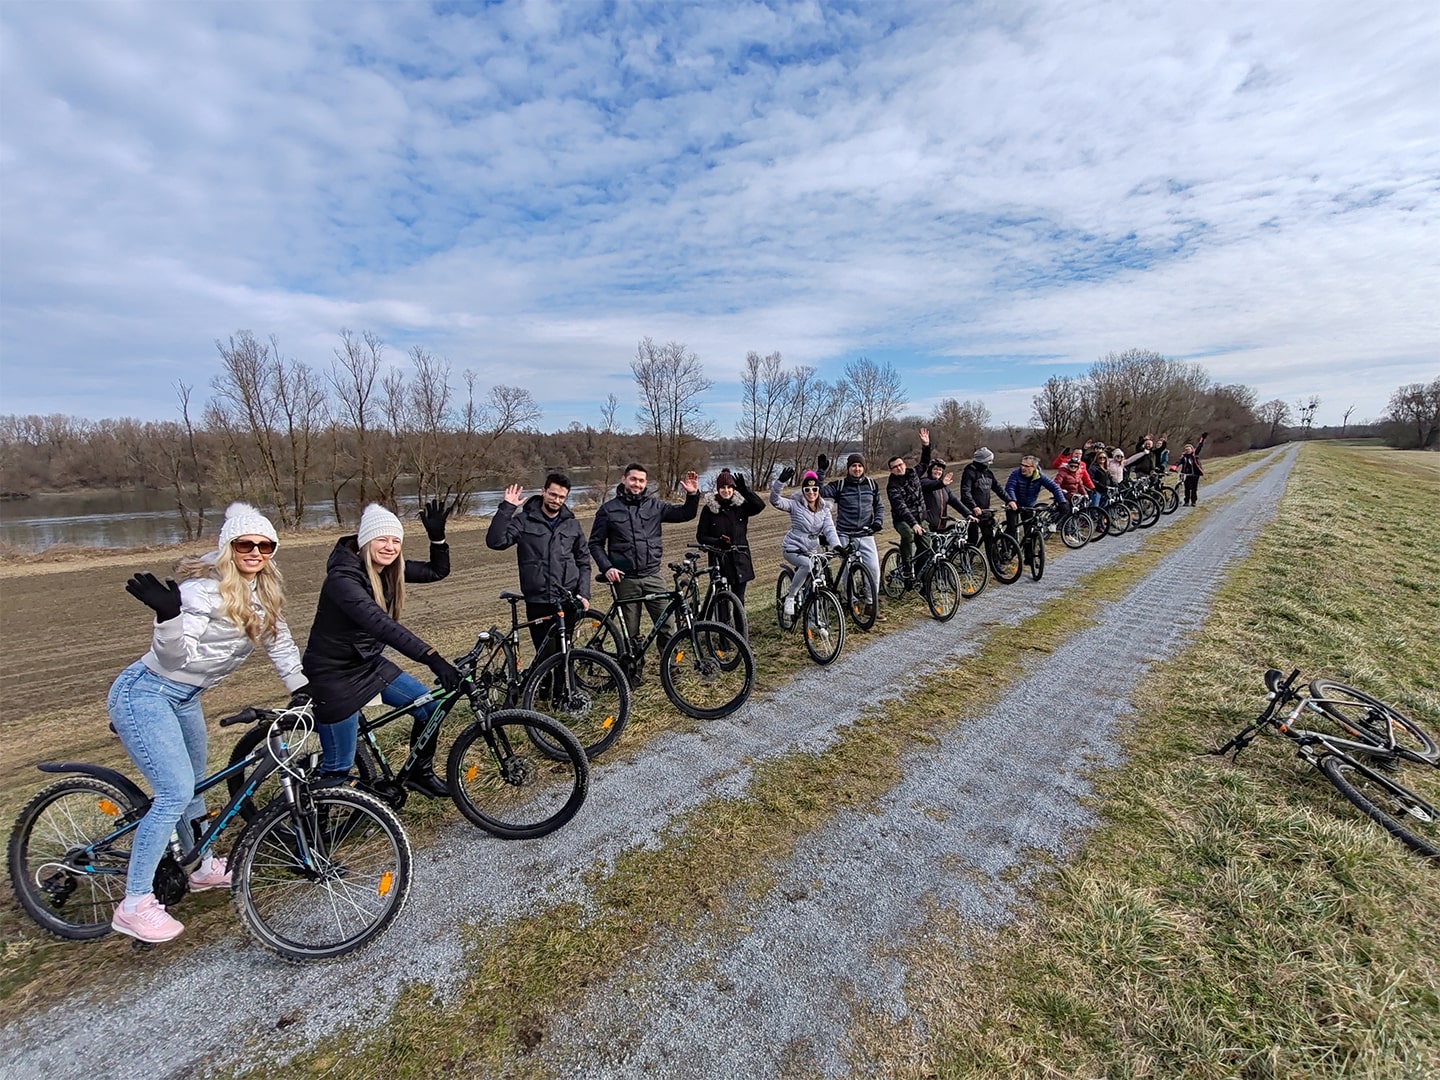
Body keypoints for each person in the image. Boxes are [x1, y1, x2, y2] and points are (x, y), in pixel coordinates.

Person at [106, 502, 310, 944]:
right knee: (175, 790)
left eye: (265, 545)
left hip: (185, 697)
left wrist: (302, 688)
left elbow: (281, 644)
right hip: (146, 692)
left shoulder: (262, 593)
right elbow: (174, 658)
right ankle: (135, 902)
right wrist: (168, 616)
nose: (255, 552)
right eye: (245, 544)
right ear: (228, 547)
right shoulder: (201, 593)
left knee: (196, 784)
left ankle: (199, 868)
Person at [303, 500, 461, 797]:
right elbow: (381, 625)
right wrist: (432, 658)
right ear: (365, 541)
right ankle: (315, 827)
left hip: (368, 664)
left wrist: (437, 538)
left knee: (429, 707)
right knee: (338, 766)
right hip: (334, 675)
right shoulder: (343, 579)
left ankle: (419, 773)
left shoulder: (389, 568)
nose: (390, 547)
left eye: (395, 541)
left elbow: (436, 572)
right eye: (382, 539)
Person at [589, 463, 700, 656]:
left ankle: (670, 665)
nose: (637, 484)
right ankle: (633, 668)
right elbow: (595, 543)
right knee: (631, 631)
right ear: (624, 480)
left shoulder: (655, 506)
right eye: (633, 479)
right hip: (625, 579)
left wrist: (692, 496)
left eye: (641, 480)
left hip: (652, 576)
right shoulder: (608, 510)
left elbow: (685, 514)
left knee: (667, 625)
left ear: (646, 483)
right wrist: (607, 567)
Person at [486, 472, 591, 661]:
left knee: (565, 655)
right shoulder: (523, 521)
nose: (556, 500)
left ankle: (563, 690)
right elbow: (495, 541)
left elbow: (583, 561)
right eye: (552, 494)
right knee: (545, 657)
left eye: (561, 497)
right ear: (543, 492)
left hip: (567, 599)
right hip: (538, 602)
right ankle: (541, 689)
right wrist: (507, 508)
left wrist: (584, 592)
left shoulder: (572, 524)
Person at [770, 468, 840, 619]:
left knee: (816, 578)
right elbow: (775, 500)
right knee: (807, 565)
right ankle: (791, 596)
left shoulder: (824, 509)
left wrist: (837, 546)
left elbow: (829, 530)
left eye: (814, 489)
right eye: (807, 489)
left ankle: (814, 618)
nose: (811, 492)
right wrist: (780, 482)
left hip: (811, 550)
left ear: (818, 490)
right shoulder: (794, 505)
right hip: (792, 548)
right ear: (803, 491)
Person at [820, 453, 884, 614]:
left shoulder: (871, 484)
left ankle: (871, 603)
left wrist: (878, 522)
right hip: (844, 533)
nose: (857, 469)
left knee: (874, 568)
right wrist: (820, 471)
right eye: (854, 466)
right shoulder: (839, 485)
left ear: (864, 468)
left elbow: (879, 506)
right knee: (847, 569)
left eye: (860, 466)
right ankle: (851, 602)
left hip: (865, 533)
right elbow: (819, 491)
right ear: (848, 468)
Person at [695, 469, 765, 604]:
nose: (726, 490)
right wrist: (717, 542)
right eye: (722, 487)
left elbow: (759, 506)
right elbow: (701, 536)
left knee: (739, 600)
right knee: (722, 602)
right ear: (717, 489)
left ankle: (740, 625)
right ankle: (723, 625)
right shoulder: (709, 509)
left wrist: (745, 490)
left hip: (740, 558)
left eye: (729, 487)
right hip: (719, 560)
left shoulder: (741, 506)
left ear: (733, 489)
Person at [886, 431, 932, 583]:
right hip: (903, 520)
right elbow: (901, 507)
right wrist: (913, 524)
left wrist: (926, 445)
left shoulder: (913, 473)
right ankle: (906, 567)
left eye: (900, 465)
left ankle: (918, 576)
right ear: (891, 470)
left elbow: (925, 463)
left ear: (904, 464)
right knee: (908, 535)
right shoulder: (892, 486)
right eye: (895, 467)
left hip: (920, 516)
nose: (899, 468)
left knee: (926, 547)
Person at [1002, 455, 1069, 534]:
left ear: (1034, 467)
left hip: (1028, 506)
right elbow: (1010, 487)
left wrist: (1061, 502)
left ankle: (1028, 546)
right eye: (1022, 465)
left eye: (1026, 466)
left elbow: (1054, 487)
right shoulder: (1016, 474)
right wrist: (1012, 501)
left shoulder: (1039, 476)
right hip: (1013, 504)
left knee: (1029, 532)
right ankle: (1006, 542)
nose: (1023, 468)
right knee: (1012, 529)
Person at [959, 447, 1011, 547]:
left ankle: (994, 562)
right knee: (973, 539)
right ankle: (968, 559)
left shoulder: (988, 473)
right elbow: (965, 492)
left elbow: (998, 488)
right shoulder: (969, 472)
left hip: (985, 511)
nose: (990, 463)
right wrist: (973, 506)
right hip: (972, 511)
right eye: (989, 461)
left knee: (990, 538)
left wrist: (1009, 500)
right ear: (983, 461)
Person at [1178, 432, 1208, 505]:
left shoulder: (1195, 455)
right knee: (1187, 488)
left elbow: (1200, 446)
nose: (1188, 450)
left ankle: (1193, 501)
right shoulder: (1184, 457)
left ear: (1192, 450)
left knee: (1194, 488)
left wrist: (1202, 439)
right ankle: (1186, 501)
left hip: (1195, 474)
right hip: (1186, 475)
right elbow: (1178, 462)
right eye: (1186, 449)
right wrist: (1174, 467)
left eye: (1189, 449)